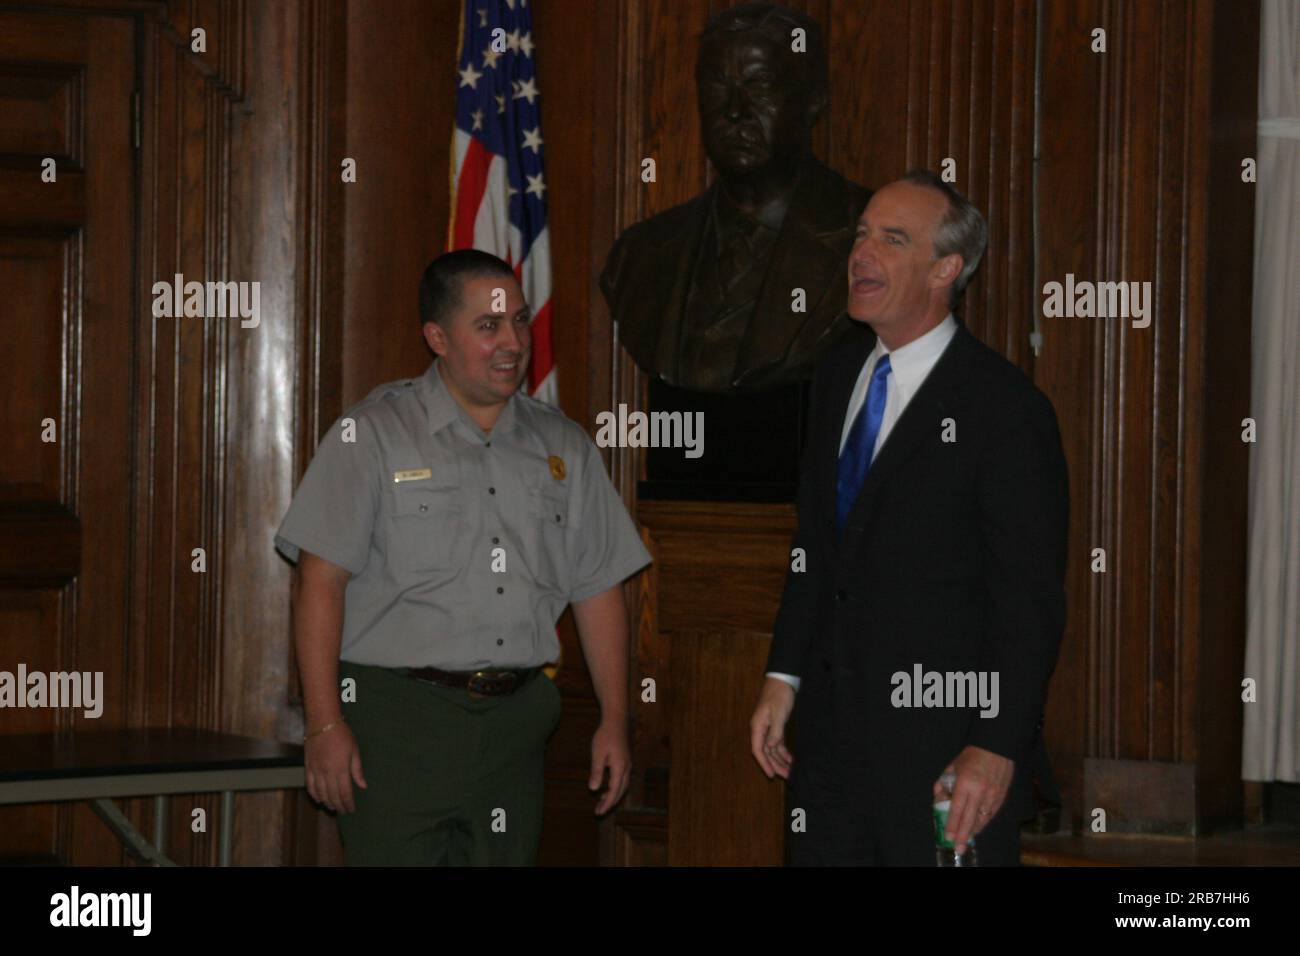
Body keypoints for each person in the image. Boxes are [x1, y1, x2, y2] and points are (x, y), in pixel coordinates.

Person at [275, 250, 652, 865]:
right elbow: (319, 582)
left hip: (514, 729)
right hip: (397, 724)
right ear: (437, 338)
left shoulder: (565, 446)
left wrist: (615, 718)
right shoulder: (371, 435)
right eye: (489, 326)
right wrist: (323, 724)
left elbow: (597, 587)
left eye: (521, 322)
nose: (513, 343)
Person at [749, 171, 1069, 865]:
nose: (862, 253)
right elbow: (815, 550)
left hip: (943, 755)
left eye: (893, 240)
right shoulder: (836, 379)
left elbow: (1029, 600)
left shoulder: (1003, 410)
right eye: (862, 234)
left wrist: (996, 743)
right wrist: (785, 676)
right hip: (830, 751)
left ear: (946, 269)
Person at [600, 2, 871, 393]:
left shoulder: (871, 240)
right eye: (716, 86)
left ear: (814, 100)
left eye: (759, 86)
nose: (734, 112)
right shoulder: (640, 255)